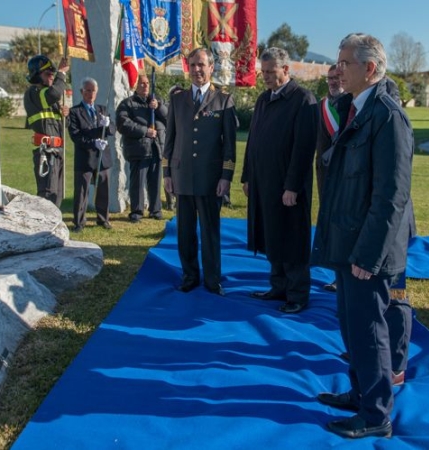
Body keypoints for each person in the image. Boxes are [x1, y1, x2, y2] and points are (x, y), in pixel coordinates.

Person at [310, 33, 414, 440]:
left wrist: (369, 255)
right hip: (346, 241)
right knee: (352, 326)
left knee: (370, 331)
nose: (338, 70)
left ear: (370, 68)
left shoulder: (388, 116)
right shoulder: (356, 108)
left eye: (345, 63)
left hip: (366, 251)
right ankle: (360, 394)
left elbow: (391, 196)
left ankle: (375, 414)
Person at [241, 47, 317, 314]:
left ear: (286, 69)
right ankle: (278, 286)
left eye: (271, 72)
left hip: (288, 186)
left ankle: (297, 294)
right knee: (272, 234)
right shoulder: (264, 98)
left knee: (292, 238)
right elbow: (253, 140)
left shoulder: (303, 99)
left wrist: (292, 186)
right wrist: (247, 176)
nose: (265, 77)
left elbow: (304, 148)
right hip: (263, 182)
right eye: (263, 72)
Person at [163, 47, 237, 296]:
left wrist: (226, 177)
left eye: (201, 65)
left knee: (210, 232)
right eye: (193, 65)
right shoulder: (177, 99)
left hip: (210, 179)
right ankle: (189, 276)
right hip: (182, 176)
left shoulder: (223, 100)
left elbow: (229, 145)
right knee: (185, 233)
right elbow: (170, 139)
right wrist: (167, 173)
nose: (197, 70)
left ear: (211, 67)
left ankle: (213, 280)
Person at [116, 74, 168, 223]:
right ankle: (137, 211)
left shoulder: (156, 100)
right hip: (139, 148)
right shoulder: (128, 104)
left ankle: (155, 209)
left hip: (156, 147)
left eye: (147, 83)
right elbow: (123, 124)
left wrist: (158, 107)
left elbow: (169, 118)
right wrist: (145, 131)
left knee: (155, 181)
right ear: (136, 85)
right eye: (142, 83)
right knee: (138, 182)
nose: (145, 86)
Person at [68, 77, 116, 232]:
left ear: (97, 92)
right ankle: (79, 221)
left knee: (103, 189)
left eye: (93, 91)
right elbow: (76, 135)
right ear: (82, 92)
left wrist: (108, 125)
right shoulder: (75, 112)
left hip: (103, 157)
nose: (90, 94)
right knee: (82, 191)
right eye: (87, 90)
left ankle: (103, 219)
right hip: (85, 158)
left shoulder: (102, 109)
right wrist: (93, 143)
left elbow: (113, 129)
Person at [24, 55, 70, 207]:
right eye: (48, 74)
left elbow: (64, 125)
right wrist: (61, 73)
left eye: (53, 74)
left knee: (57, 196)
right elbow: (54, 93)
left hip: (57, 151)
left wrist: (65, 115)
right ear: (37, 75)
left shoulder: (50, 98)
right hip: (46, 152)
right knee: (48, 195)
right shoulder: (34, 92)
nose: (52, 76)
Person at [316, 64, 346, 293]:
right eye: (330, 78)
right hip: (324, 175)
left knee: (345, 225)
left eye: (337, 77)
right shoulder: (321, 106)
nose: (333, 82)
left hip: (346, 175)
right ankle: (337, 273)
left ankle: (345, 275)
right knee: (331, 226)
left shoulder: (354, 104)